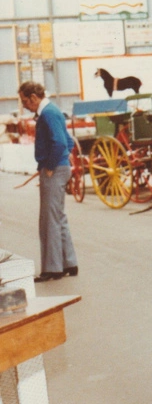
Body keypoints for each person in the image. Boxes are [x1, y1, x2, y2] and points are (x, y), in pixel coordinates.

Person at [18, 81, 79, 282]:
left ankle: (53, 269)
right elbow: (68, 142)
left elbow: (61, 142)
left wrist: (52, 165)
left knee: (49, 220)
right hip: (60, 168)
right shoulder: (53, 111)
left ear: (34, 97)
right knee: (58, 217)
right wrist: (61, 161)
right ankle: (69, 263)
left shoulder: (48, 114)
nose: (25, 105)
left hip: (53, 170)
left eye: (25, 101)